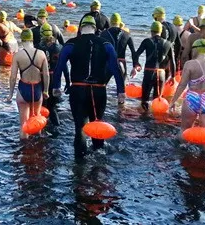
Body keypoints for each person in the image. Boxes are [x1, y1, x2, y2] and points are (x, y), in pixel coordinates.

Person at [52, 16, 126, 158]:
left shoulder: (71, 44)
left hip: (78, 89)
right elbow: (115, 68)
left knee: (80, 127)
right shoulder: (106, 44)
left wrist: (56, 87)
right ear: (95, 29)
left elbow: (59, 66)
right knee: (97, 124)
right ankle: (98, 162)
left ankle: (79, 165)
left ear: (80, 28)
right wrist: (120, 91)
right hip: (98, 90)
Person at [170, 39, 205, 152]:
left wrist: (173, 101)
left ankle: (181, 153)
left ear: (195, 49)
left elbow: (182, 85)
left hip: (192, 98)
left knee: (184, 130)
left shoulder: (190, 64)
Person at [8, 30, 50, 140]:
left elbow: (12, 77)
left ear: (21, 40)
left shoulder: (18, 55)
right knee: (37, 121)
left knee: (24, 125)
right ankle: (37, 148)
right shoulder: (41, 54)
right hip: (37, 89)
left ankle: (24, 150)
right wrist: (45, 90)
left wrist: (10, 94)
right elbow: (46, 74)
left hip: (23, 89)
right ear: (32, 39)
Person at [131, 22, 176, 111]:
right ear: (161, 31)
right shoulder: (168, 43)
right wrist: (173, 77)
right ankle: (155, 122)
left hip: (149, 72)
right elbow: (173, 62)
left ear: (151, 31)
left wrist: (136, 64)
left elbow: (136, 54)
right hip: (161, 74)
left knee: (145, 100)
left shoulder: (147, 41)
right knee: (157, 99)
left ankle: (144, 119)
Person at [36, 23, 68, 133]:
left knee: (42, 106)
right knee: (53, 107)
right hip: (56, 79)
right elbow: (64, 67)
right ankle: (57, 129)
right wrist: (68, 82)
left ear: (41, 35)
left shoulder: (38, 48)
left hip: (42, 79)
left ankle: (42, 129)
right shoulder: (60, 48)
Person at [101, 13, 136, 83]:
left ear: (110, 22)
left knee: (102, 86)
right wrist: (134, 67)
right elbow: (133, 52)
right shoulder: (127, 34)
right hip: (121, 63)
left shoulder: (103, 34)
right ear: (120, 22)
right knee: (122, 90)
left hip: (108, 62)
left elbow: (98, 50)